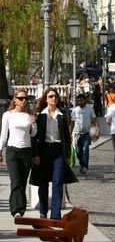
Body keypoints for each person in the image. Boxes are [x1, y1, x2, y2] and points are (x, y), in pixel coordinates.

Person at [31, 88, 72, 220]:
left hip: (58, 150)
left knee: (57, 182)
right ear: (46, 99)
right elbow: (35, 136)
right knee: (43, 183)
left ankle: (55, 215)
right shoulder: (40, 115)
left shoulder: (62, 115)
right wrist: (35, 154)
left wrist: (67, 155)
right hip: (43, 151)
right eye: (51, 96)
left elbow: (66, 136)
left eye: (55, 96)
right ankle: (43, 212)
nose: (53, 98)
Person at [0, 89, 37, 218]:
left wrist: (33, 122)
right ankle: (17, 210)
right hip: (12, 151)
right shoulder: (8, 115)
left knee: (22, 182)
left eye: (25, 98)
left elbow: (33, 134)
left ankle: (18, 208)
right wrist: (0, 150)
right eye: (21, 98)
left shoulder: (29, 114)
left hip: (26, 151)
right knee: (15, 180)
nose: (24, 101)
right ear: (15, 100)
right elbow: (3, 135)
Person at [70, 93, 97, 174]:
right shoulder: (75, 110)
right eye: (78, 101)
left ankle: (85, 166)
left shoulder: (90, 109)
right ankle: (82, 164)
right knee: (78, 151)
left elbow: (94, 119)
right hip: (77, 133)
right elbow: (72, 121)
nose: (80, 102)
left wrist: (96, 129)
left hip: (86, 133)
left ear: (85, 100)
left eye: (81, 100)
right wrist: (70, 132)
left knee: (85, 150)